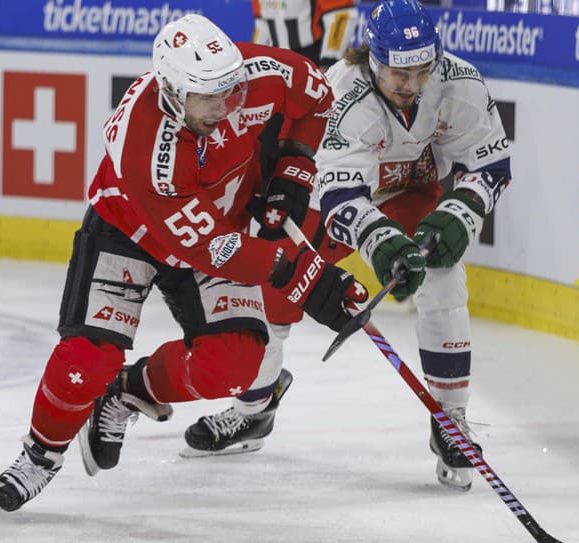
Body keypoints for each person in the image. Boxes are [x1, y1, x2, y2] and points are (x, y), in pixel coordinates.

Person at [0, 14, 368, 513]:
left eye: (231, 90)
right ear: (169, 89)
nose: (226, 106)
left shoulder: (261, 73)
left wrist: (293, 167)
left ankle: (126, 392)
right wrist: (305, 279)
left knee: (234, 361)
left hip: (218, 224)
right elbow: (205, 247)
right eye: (207, 97)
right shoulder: (144, 141)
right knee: (87, 359)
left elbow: (317, 99)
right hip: (131, 229)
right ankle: (41, 455)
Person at [181, 0, 512, 492]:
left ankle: (451, 419)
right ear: (373, 59)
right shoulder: (344, 92)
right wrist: (381, 243)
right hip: (333, 197)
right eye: (399, 71)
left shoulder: (460, 83)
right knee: (274, 288)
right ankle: (255, 407)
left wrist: (460, 213)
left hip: (408, 191)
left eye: (421, 70)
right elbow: (340, 194)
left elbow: (490, 165)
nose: (410, 84)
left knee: (443, 272)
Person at [252, 0, 358, 70]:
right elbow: (262, 25)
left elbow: (342, 15)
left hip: (313, 60)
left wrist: (328, 62)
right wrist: (253, 61)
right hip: (276, 63)